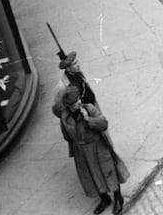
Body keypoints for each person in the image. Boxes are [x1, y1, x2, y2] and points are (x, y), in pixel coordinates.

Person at [52, 85, 129, 215]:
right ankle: (105, 199)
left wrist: (89, 120)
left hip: (98, 146)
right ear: (69, 105)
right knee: (92, 175)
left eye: (78, 99)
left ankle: (118, 198)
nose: (78, 103)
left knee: (108, 171)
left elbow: (104, 124)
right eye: (75, 102)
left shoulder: (89, 109)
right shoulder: (65, 118)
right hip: (82, 151)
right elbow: (66, 136)